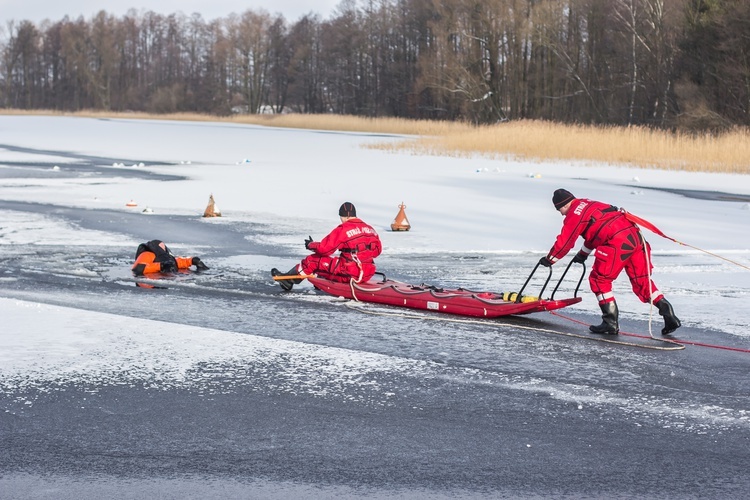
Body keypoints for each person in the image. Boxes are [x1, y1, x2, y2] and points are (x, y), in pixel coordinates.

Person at [539, 189, 681, 336]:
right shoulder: (590, 204)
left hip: (617, 243)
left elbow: (565, 242)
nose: (562, 214)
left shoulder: (574, 214)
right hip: (635, 238)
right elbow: (596, 231)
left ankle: (610, 323)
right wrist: (583, 254)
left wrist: (550, 259)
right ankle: (668, 313)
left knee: (599, 280)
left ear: (564, 205)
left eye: (560, 210)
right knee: (641, 281)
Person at [272, 202, 382, 291]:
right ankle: (321, 280)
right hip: (367, 273)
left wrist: (311, 245)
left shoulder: (344, 229)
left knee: (313, 261)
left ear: (344, 216)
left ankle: (287, 280)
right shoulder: (370, 229)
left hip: (350, 273)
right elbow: (378, 251)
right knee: (331, 263)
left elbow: (324, 249)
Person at [132, 239, 209, 276]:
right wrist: (161, 266)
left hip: (168, 278)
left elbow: (175, 261)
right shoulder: (147, 254)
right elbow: (138, 269)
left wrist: (191, 261)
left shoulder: (165, 256)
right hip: (152, 283)